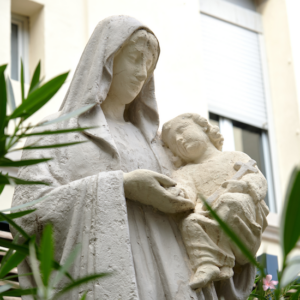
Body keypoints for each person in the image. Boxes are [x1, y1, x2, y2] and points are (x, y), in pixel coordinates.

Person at [12, 16, 261, 300]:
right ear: (106, 59)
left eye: (150, 64)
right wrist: (122, 186)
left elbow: (199, 214)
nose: (143, 72)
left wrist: (235, 221)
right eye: (135, 58)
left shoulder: (159, 148)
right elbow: (28, 216)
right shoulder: (58, 131)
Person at [161, 113, 269, 291]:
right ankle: (208, 263)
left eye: (182, 130)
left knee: (230, 201)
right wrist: (179, 196)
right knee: (190, 223)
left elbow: (258, 180)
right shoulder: (185, 173)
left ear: (204, 127)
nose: (179, 139)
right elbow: (185, 194)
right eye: (173, 142)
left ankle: (225, 260)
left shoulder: (235, 156)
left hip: (245, 227)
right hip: (212, 219)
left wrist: (243, 186)